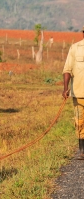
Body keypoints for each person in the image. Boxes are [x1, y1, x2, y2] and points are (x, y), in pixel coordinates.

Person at [62, 26, 84, 159]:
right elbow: (67, 69)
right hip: (79, 93)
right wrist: (65, 88)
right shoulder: (75, 48)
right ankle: (82, 151)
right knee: (80, 122)